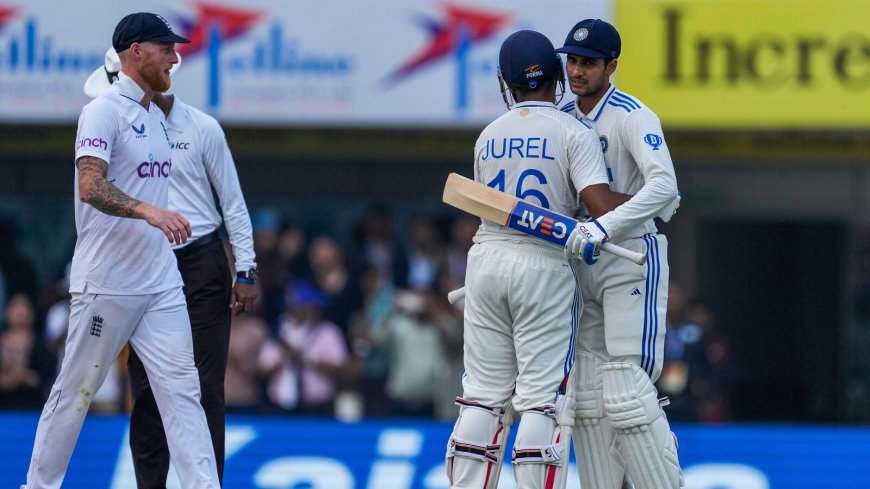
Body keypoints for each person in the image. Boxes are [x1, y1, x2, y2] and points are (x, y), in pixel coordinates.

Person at [21, 12, 222, 489]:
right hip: (106, 282)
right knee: (76, 392)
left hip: (159, 281)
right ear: (137, 51)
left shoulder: (156, 116)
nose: (175, 57)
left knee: (183, 394)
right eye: (166, 48)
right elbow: (90, 186)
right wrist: (148, 212)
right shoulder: (102, 110)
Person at [444, 30, 635, 489]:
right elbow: (600, 204)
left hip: (486, 259)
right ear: (558, 76)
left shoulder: (489, 135)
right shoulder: (574, 131)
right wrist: (652, 198)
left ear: (507, 83)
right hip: (545, 262)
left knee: (482, 397)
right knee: (540, 400)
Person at [83, 39, 258, 488]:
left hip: (200, 262)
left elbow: (233, 204)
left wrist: (247, 269)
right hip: (146, 260)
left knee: (204, 387)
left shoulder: (201, 128)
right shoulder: (116, 127)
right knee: (145, 389)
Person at [556, 18, 684, 489]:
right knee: (587, 392)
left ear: (612, 65)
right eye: (571, 60)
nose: (576, 71)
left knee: (628, 389)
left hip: (630, 253)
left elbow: (665, 187)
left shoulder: (633, 114)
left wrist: (604, 225)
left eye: (588, 63)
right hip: (580, 261)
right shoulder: (563, 117)